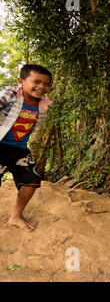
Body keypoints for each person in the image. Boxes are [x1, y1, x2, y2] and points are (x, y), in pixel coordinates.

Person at [0, 64, 53, 231]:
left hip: (20, 150)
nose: (42, 87)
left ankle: (16, 216)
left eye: (46, 84)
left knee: (32, 181)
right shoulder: (11, 95)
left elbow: (32, 127)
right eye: (36, 82)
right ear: (21, 81)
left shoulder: (42, 106)